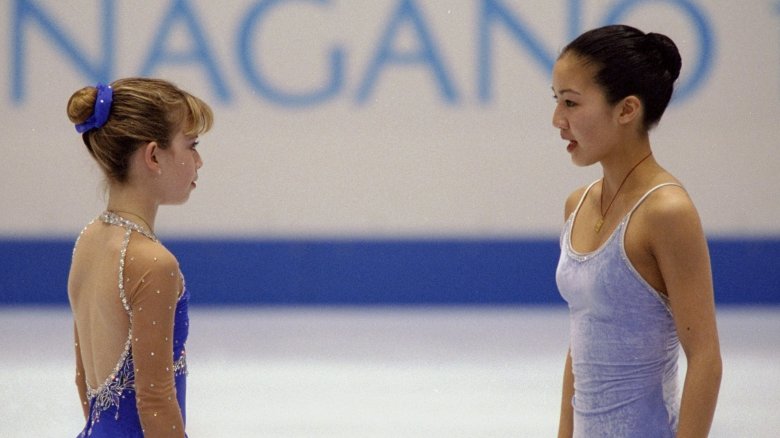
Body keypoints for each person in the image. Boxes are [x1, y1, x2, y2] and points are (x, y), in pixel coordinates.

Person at [552, 25, 721, 437]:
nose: (558, 120)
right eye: (556, 101)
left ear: (627, 109)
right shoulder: (578, 204)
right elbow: (584, 339)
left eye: (571, 103)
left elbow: (705, 358)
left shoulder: (667, 211)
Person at [67, 78, 213, 437]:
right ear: (153, 156)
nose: (199, 160)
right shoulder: (153, 263)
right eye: (191, 145)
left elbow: (83, 379)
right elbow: (156, 399)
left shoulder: (88, 240)